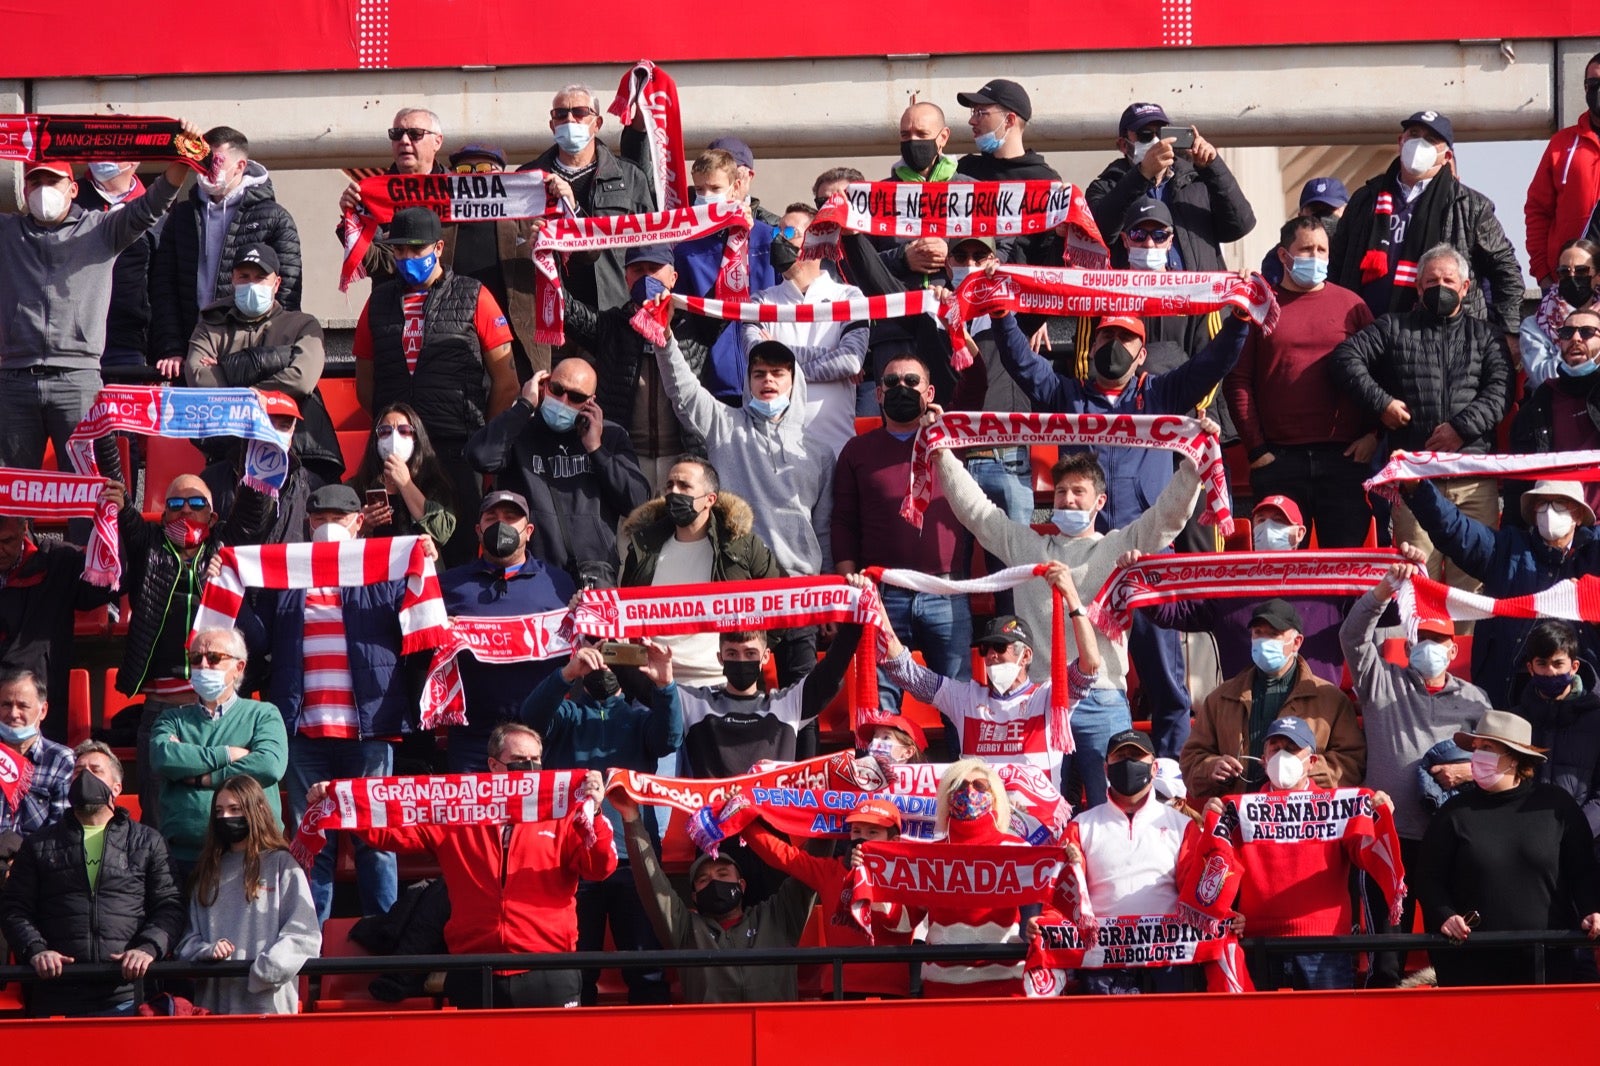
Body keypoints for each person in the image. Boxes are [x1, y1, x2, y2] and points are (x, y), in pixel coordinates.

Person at [935, 439, 1206, 790]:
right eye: (1061, 491)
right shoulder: (1027, 548)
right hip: (1039, 702)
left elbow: (1166, 518)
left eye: (1079, 491)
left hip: (1102, 698)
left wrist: (1191, 466)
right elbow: (978, 514)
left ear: (1100, 501)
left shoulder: (1118, 546)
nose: (1068, 499)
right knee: (1038, 814)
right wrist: (942, 455)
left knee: (1110, 806)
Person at [311, 723, 616, 1009]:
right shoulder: (457, 813)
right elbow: (392, 834)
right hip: (473, 968)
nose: (532, 770)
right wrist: (340, 803)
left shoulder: (564, 815)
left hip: (549, 967)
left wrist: (597, 812)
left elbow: (599, 867)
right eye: (521, 760)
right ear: (494, 766)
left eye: (537, 761)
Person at [235, 483, 421, 920]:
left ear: (358, 523)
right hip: (303, 731)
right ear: (308, 524)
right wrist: (236, 591)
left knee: (374, 840)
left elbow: (417, 625)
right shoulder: (286, 574)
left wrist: (425, 561)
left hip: (369, 728)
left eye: (338, 519)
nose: (328, 526)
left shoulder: (385, 570)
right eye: (320, 519)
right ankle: (307, 940)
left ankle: (385, 934)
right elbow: (257, 638)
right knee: (308, 842)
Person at [0, 133, 194, 480]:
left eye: (53, 181)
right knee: (10, 498)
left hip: (78, 381)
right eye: (36, 181)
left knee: (89, 491)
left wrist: (183, 155)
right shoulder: (7, 233)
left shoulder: (101, 230)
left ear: (72, 189)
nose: (44, 189)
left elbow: (153, 204)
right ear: (25, 192)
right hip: (15, 380)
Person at [1340, 561, 1491, 987]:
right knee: (1386, 961)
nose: (1429, 647)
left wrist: (1467, 770)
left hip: (1453, 839)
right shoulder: (1380, 682)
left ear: (1453, 650)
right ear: (1407, 646)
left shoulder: (1477, 702)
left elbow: (1502, 764)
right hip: (1391, 840)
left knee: (1455, 951)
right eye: (1421, 639)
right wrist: (1384, 589)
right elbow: (1352, 636)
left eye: (1438, 641)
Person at [1330, 243, 1512, 591]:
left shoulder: (1487, 336)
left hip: (1473, 480)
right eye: (1431, 282)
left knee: (1473, 585)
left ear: (1465, 288)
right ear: (1417, 287)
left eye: (1448, 280)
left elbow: (1501, 393)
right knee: (1415, 581)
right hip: (1416, 483)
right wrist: (1382, 403)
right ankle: (1418, 648)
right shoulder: (1392, 328)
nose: (1440, 288)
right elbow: (1344, 359)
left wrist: (1461, 429)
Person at [655, 332, 832, 680]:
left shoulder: (820, 453)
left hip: (799, 593)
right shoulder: (724, 424)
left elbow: (823, 529)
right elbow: (683, 390)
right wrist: (664, 339)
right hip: (741, 590)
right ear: (748, 381)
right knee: (744, 695)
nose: (768, 380)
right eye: (759, 373)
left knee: (803, 701)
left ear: (794, 382)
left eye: (778, 373)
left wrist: (825, 593)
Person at [521, 637, 681, 1005]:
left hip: (635, 862)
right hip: (576, 862)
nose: (602, 667)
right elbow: (530, 719)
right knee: (577, 971)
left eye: (611, 657)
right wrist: (566, 674)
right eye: (595, 656)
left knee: (647, 970)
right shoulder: (567, 716)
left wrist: (666, 683)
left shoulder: (640, 718)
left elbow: (670, 738)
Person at [352, 206, 520, 539]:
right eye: (399, 249)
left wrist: (480, 440)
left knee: (457, 546)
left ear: (439, 248)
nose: (407, 257)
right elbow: (365, 384)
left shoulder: (475, 295)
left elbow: (507, 382)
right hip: (396, 449)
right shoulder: (376, 303)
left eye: (417, 249)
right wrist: (395, 430)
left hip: (457, 448)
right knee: (394, 545)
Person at [1204, 717, 1400, 991]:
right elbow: (1221, 868)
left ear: (1312, 761)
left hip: (1324, 945)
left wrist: (1377, 817)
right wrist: (1211, 822)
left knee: (1325, 1032)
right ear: (1263, 759)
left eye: (1292, 748)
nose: (1283, 755)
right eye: (1276, 747)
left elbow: (1364, 855)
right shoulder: (1238, 811)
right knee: (1260, 1032)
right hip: (1257, 944)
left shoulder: (1337, 806)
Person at [833, 357, 973, 724]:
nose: (901, 388)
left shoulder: (950, 442)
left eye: (912, 381)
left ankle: (968, 780)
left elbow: (977, 384)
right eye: (891, 382)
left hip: (945, 590)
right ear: (878, 394)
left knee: (958, 701)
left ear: (929, 392)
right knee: (880, 707)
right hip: (883, 593)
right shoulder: (856, 451)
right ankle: (880, 780)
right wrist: (849, 585)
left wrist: (941, 432)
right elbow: (844, 523)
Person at [0, 741, 184, 1017]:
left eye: (95, 770)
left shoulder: (147, 841)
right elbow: (14, 908)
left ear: (117, 787)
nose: (84, 777)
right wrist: (36, 950)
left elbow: (169, 905)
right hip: (56, 994)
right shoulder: (39, 844)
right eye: (77, 772)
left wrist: (148, 948)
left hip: (126, 996)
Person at [1417, 710, 1600, 986]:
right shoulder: (1453, 812)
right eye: (1476, 748)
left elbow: (1583, 871)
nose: (1477, 757)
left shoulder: (1556, 806)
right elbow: (1428, 878)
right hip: (1471, 965)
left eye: (1487, 748)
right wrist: (1445, 915)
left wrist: (1592, 909)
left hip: (1545, 963)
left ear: (1515, 758)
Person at [1225, 217, 1378, 547]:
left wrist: (1373, 435)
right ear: (1283, 255)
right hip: (1278, 462)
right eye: (1306, 249)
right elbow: (1238, 381)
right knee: (1277, 565)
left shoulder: (1353, 306)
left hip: (1345, 461)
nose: (1316, 256)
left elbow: (1379, 375)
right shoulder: (1260, 307)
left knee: (1344, 568)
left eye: (1322, 249)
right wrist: (1257, 450)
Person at [880, 563, 1093, 792]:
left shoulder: (1049, 697)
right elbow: (905, 671)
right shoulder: (965, 698)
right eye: (985, 649)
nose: (991, 655)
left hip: (1036, 823)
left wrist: (1071, 595)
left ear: (1026, 656)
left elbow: (1090, 665)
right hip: (982, 819)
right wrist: (875, 602)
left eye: (1000, 647)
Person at [1397, 477, 1600, 706]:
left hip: (1582, 698)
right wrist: (1418, 489)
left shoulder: (1594, 554)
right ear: (1533, 512)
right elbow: (1455, 529)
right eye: (1543, 503)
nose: (1549, 511)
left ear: (1579, 515)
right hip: (1507, 691)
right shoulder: (1506, 547)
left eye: (1560, 503)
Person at [1329, 111, 1523, 343]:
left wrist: (1508, 331)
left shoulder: (1471, 206)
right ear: (1401, 142)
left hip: (1441, 341)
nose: (1419, 143)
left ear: (1446, 156)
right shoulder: (1365, 198)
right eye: (1414, 134)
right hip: (1366, 336)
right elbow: (1337, 264)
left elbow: (1506, 272)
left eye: (1430, 140)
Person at [615, 786, 816, 1003]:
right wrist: (631, 818)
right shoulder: (686, 930)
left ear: (742, 885)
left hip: (775, 1032)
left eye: (722, 873)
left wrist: (836, 809)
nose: (714, 881)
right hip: (711, 1035)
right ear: (694, 896)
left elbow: (811, 869)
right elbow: (651, 883)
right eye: (703, 880)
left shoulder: (776, 917)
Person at [106, 474, 224, 826]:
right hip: (159, 711)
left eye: (197, 503)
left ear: (213, 517)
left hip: (212, 713)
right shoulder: (149, 549)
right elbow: (126, 511)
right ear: (164, 516)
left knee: (213, 812)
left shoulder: (226, 552)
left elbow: (255, 509)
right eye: (175, 504)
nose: (185, 509)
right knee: (157, 816)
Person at [465, 358, 650, 580]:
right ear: (544, 385)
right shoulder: (519, 431)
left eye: (576, 397)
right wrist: (525, 405)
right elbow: (480, 457)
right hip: (531, 571)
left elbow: (637, 501)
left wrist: (596, 449)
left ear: (591, 402)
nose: (563, 401)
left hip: (593, 572)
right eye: (557, 389)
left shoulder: (610, 436)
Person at [1050, 729, 1204, 994]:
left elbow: (1198, 891)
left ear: (1154, 768)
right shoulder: (1081, 825)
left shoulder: (1183, 826)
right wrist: (1045, 921)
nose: (1128, 763)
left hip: (1166, 959)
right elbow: (1062, 891)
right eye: (1120, 757)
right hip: (1102, 963)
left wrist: (1223, 915)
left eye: (1136, 756)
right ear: (1106, 768)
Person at [1137, 495, 1350, 686]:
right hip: (1244, 710)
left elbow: (1377, 614)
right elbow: (1173, 613)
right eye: (1261, 520)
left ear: (1300, 533)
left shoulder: (1330, 587)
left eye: (1278, 521)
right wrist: (1140, 580)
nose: (1268, 527)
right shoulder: (1230, 584)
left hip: (1314, 710)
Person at [183, 242, 342, 487]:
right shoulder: (210, 325)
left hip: (298, 455)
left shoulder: (302, 325)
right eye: (244, 277)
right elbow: (199, 379)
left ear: (276, 283)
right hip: (230, 456)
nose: (252, 284)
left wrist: (229, 369)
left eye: (260, 278)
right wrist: (278, 364)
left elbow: (301, 378)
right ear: (233, 279)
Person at [438, 490, 575, 772]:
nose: (501, 525)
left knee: (539, 816)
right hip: (473, 735)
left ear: (528, 531)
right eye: (492, 518)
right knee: (473, 816)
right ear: (479, 530)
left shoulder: (558, 583)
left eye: (511, 518)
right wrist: (439, 633)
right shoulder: (449, 585)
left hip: (540, 734)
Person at [149, 126, 302, 374]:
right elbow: (164, 286)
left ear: (240, 166)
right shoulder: (182, 217)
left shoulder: (275, 218)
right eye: (202, 160)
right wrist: (170, 348)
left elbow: (287, 294)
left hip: (250, 355)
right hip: (191, 354)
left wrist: (266, 355)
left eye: (215, 161)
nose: (207, 168)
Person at [619, 456, 781, 687]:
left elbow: (781, 602)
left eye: (684, 486)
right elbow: (625, 611)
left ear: (709, 499)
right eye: (669, 485)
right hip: (657, 687)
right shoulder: (643, 547)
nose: (674, 492)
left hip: (722, 684)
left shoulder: (740, 546)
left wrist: (748, 653)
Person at [1180, 599, 1366, 800]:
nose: (1264, 641)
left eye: (1273, 634)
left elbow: (1352, 762)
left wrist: (1300, 769)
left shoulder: (1330, 699)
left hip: (1303, 817)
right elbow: (1191, 759)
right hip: (1241, 816)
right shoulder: (1221, 698)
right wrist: (1211, 768)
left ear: (1296, 642)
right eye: (1258, 633)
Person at [561, 244, 706, 493]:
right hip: (626, 460)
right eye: (638, 270)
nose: (647, 277)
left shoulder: (697, 326)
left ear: (673, 277)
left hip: (683, 460)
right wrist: (548, 255)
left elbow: (734, 292)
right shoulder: (611, 326)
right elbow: (563, 307)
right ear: (627, 278)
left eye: (654, 269)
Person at [147, 627, 288, 880]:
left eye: (213, 658)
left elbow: (268, 765)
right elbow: (164, 757)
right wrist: (227, 754)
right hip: (185, 859)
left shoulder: (264, 714)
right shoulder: (171, 719)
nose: (203, 665)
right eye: (195, 659)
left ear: (239, 667)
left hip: (253, 855)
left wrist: (204, 778)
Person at [173, 776, 320, 1014]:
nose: (225, 818)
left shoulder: (283, 864)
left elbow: (304, 935)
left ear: (257, 809)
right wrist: (206, 951)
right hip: (214, 1012)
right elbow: (186, 944)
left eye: (235, 809)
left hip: (269, 1009)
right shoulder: (206, 871)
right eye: (219, 811)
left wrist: (263, 972)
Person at [743, 797, 917, 998]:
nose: (862, 838)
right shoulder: (830, 871)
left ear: (894, 841)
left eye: (872, 832)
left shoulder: (910, 877)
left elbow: (902, 921)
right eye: (857, 831)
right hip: (839, 988)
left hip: (891, 990)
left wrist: (870, 874)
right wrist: (742, 820)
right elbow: (783, 855)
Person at [741, 204, 868, 460]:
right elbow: (757, 355)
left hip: (835, 448)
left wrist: (782, 359)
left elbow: (850, 360)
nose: (779, 240)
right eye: (778, 232)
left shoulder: (849, 297)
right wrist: (826, 354)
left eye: (789, 232)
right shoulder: (760, 302)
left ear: (815, 239)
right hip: (773, 450)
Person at [521, 83, 656, 314]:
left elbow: (651, 246)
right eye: (561, 114)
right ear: (552, 125)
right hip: (548, 309)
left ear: (598, 123)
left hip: (614, 311)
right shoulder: (526, 178)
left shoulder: (631, 177)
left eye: (580, 113)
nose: (570, 120)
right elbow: (512, 245)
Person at [1086, 101, 1256, 273]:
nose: (1156, 142)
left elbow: (1240, 226)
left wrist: (1213, 166)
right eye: (1146, 135)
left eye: (1162, 133)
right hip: (1138, 296)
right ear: (1123, 145)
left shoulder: (1197, 181)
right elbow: (1098, 236)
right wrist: (1142, 174)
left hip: (1196, 296)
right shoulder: (1105, 187)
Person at [676, 625, 862, 779]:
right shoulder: (696, 702)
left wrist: (856, 614)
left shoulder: (785, 704)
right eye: (732, 654)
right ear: (720, 658)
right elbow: (650, 688)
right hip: (712, 821)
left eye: (750, 654)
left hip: (770, 820)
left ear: (765, 656)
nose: (741, 661)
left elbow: (833, 669)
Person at [671, 149, 778, 400]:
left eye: (715, 188)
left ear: (735, 187)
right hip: (713, 377)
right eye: (699, 190)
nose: (706, 196)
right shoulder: (686, 247)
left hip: (769, 373)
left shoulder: (766, 237)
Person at [0, 516, 116, 734]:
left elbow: (103, 587)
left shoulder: (61, 561)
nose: (0, 550)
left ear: (24, 528)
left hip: (41, 703)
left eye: (7, 541)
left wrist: (118, 520)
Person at [923, 758, 1026, 997]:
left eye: (979, 786)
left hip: (1006, 983)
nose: (969, 792)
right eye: (959, 786)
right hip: (942, 986)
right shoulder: (928, 855)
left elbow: (1050, 904)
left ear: (995, 796)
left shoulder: (1018, 849)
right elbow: (902, 917)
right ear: (947, 798)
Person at [335, 107, 446, 282]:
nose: (404, 140)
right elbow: (375, 261)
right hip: (393, 302)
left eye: (415, 134)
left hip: (450, 299)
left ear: (437, 142)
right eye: (396, 134)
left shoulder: (457, 193)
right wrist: (351, 219)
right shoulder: (374, 195)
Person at [1511, 305, 1600, 520]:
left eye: (1587, 332)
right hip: (1557, 531)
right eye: (1567, 333)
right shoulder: (1540, 400)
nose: (1576, 338)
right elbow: (1518, 478)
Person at [1516, 621, 1600, 848]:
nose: (1550, 671)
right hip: (1525, 842)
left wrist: (1573, 832)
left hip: (1583, 844)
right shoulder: (1516, 718)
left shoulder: (1596, 718)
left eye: (1557, 663)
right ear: (1530, 667)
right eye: (1542, 664)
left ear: (1573, 667)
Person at [1524, 53, 1600, 291]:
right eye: (1593, 84)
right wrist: (1543, 274)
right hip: (1571, 285)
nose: (1598, 90)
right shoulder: (1561, 144)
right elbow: (1537, 210)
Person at [72, 159, 157, 369]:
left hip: (128, 341)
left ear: (134, 160)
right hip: (72, 340)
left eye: (112, 152)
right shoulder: (69, 200)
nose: (102, 157)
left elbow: (161, 282)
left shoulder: (154, 206)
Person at [347, 402, 458, 551]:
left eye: (404, 430)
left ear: (416, 438)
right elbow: (337, 536)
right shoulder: (357, 486)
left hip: (417, 566)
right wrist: (360, 526)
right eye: (385, 431)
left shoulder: (433, 484)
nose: (394, 438)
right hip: (373, 566)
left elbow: (442, 532)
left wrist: (406, 484)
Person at [0, 670, 73, 837]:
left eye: (22, 706)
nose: (13, 714)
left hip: (35, 860)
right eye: (6, 704)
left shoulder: (60, 761)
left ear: (43, 711)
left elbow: (61, 829)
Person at [1258, 177, 1350, 284]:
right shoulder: (1283, 256)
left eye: (1329, 210)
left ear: (1347, 212)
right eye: (1314, 210)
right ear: (1300, 215)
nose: (1322, 218)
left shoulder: (1356, 250)